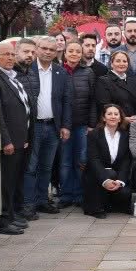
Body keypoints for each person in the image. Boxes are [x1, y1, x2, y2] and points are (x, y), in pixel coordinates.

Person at [0, 40, 32, 235]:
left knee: (13, 181)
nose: (10, 58)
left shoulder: (13, 76)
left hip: (20, 137)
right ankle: (2, 221)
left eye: (12, 55)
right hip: (9, 140)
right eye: (5, 54)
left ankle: (11, 215)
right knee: (5, 182)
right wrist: (6, 140)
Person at [24, 35, 72, 216]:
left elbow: (67, 100)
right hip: (33, 126)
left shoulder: (61, 72)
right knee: (31, 167)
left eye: (51, 50)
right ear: (37, 49)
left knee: (46, 166)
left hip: (53, 126)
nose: (47, 52)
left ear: (56, 52)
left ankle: (42, 200)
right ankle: (28, 204)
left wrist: (65, 125)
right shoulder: (27, 70)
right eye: (44, 48)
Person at [58, 38, 94, 207]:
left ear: (81, 54)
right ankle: (65, 195)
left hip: (82, 125)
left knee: (81, 161)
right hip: (64, 126)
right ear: (65, 53)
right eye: (70, 51)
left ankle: (80, 195)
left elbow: (93, 100)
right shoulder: (57, 72)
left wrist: (92, 124)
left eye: (77, 51)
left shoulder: (88, 72)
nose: (74, 54)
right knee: (64, 161)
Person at [84, 104, 135, 218]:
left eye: (116, 114)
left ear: (120, 118)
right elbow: (94, 160)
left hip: (117, 175)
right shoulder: (94, 134)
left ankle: (111, 204)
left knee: (125, 192)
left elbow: (126, 161)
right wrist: (105, 180)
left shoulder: (125, 135)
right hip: (97, 174)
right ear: (103, 117)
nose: (113, 117)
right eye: (109, 114)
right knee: (109, 173)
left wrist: (120, 181)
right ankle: (96, 207)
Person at [95, 49, 136, 124]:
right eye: (118, 61)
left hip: (134, 124)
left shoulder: (133, 81)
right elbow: (104, 106)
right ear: (111, 64)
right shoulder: (103, 81)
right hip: (114, 123)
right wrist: (122, 118)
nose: (121, 63)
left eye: (124, 61)